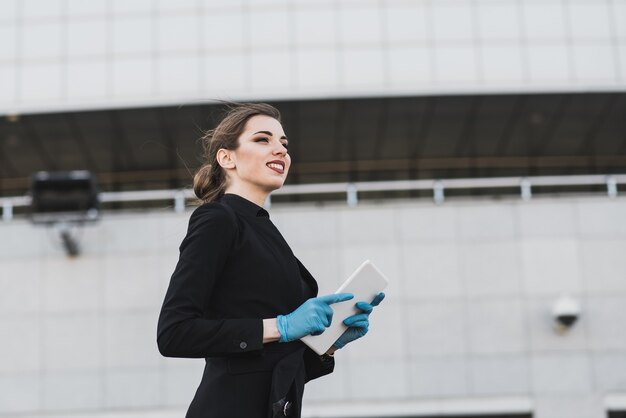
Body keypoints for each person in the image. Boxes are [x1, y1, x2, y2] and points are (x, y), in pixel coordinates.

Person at [157, 103, 384, 418]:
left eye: (284, 144)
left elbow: (272, 363)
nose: (280, 150)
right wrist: (282, 326)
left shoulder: (265, 230)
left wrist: (330, 344)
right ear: (227, 158)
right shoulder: (218, 219)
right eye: (263, 140)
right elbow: (174, 333)